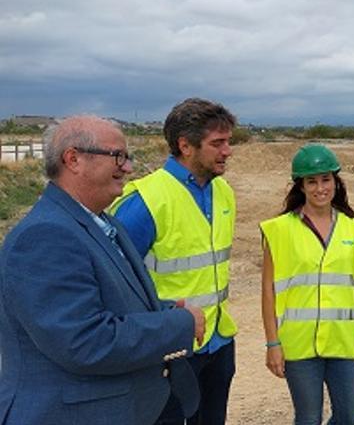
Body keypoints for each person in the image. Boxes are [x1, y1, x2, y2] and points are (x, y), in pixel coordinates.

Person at [0, 116, 203, 425]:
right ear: (73, 159)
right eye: (118, 156)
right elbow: (84, 341)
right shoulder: (44, 237)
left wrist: (162, 311)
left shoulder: (100, 221)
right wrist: (178, 324)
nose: (128, 167)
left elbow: (107, 303)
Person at [112, 98, 238, 425]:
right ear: (185, 145)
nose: (228, 151)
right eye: (217, 143)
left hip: (218, 341)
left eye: (229, 142)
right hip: (170, 348)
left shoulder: (223, 191)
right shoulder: (145, 202)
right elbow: (114, 282)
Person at [260, 144, 354, 425]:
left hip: (342, 341)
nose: (320, 188)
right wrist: (273, 343)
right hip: (298, 344)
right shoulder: (278, 229)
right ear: (301, 186)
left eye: (326, 179)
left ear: (336, 181)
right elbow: (268, 292)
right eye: (312, 181)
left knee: (349, 415)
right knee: (308, 418)